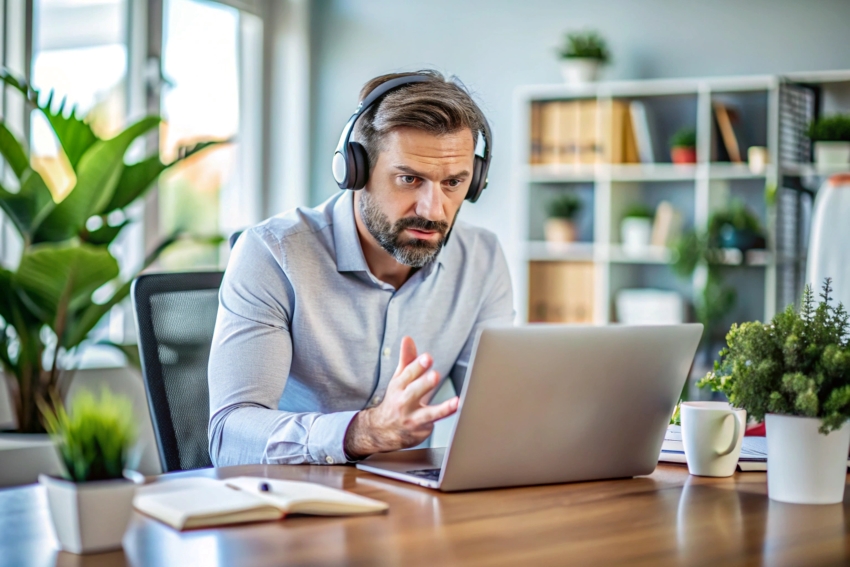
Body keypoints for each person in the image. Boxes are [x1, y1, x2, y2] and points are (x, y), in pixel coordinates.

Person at [207, 70, 514, 466]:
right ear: (354, 170)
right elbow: (228, 437)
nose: (433, 210)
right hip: (293, 502)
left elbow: (496, 409)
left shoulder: (482, 259)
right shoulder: (271, 254)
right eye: (409, 179)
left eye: (454, 183)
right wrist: (361, 431)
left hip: (412, 505)